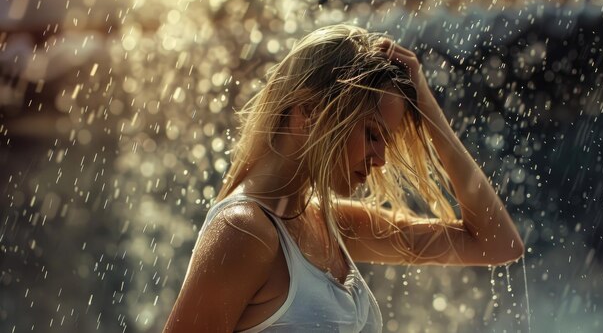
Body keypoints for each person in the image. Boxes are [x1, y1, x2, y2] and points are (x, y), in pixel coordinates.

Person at [163, 24, 524, 332]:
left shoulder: (329, 224)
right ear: (309, 112)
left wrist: (426, 104)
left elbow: (497, 244)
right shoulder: (242, 231)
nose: (381, 159)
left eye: (387, 141)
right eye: (371, 134)